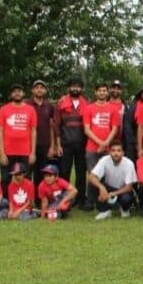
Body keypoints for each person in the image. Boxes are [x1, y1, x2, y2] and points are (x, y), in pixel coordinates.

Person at [83, 81, 121, 206]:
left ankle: (105, 199)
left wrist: (105, 144)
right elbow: (87, 129)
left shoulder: (113, 109)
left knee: (107, 174)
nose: (102, 92)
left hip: (108, 148)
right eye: (99, 90)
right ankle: (90, 201)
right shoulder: (89, 108)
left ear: (107, 92)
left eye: (104, 90)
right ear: (95, 92)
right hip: (91, 148)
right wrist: (100, 143)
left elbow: (114, 128)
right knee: (93, 174)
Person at [54, 77, 89, 208]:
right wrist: (58, 145)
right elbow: (57, 125)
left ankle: (81, 199)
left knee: (81, 172)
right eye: (73, 86)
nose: (75, 88)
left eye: (78, 86)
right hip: (66, 144)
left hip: (81, 143)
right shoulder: (61, 103)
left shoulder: (86, 104)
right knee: (65, 172)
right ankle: (65, 198)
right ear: (68, 88)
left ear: (81, 88)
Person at [0, 82, 37, 192]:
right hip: (8, 152)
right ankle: (5, 201)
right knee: (5, 179)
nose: (17, 93)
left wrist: (33, 153)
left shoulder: (30, 110)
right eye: (14, 92)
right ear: (11, 94)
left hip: (25, 152)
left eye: (19, 91)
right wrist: (2, 153)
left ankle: (26, 201)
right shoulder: (3, 110)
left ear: (23, 93)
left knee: (26, 178)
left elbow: (33, 132)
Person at [89, 139, 138, 219]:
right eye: (113, 150)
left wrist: (114, 193)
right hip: (108, 188)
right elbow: (91, 176)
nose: (116, 153)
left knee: (126, 198)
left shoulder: (129, 163)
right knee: (93, 184)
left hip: (123, 190)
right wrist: (101, 187)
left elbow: (129, 187)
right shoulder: (104, 160)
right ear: (109, 152)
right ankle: (105, 211)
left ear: (123, 152)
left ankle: (125, 209)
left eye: (119, 150)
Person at [28, 80, 58, 201]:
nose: (39, 89)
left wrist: (52, 146)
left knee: (42, 173)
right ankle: (27, 199)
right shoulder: (27, 104)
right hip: (29, 145)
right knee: (28, 173)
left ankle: (40, 199)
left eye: (42, 87)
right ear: (32, 90)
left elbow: (51, 126)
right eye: (37, 87)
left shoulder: (49, 106)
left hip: (45, 144)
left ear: (45, 90)